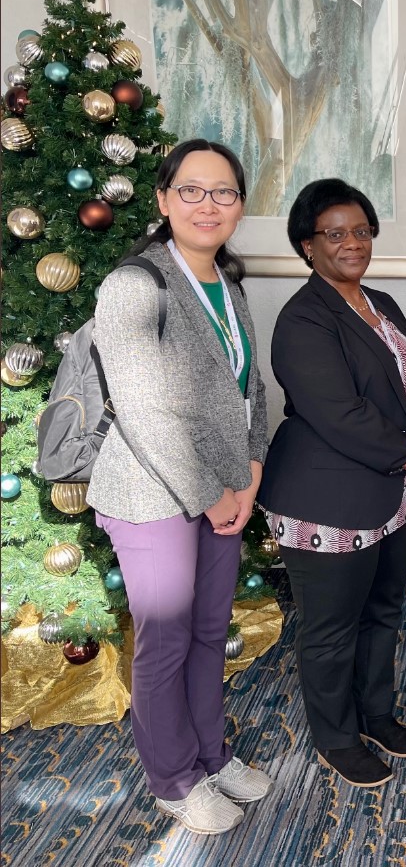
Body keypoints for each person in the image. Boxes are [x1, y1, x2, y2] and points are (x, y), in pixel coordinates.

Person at [89, 139, 273, 834]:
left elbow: (251, 389)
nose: (207, 204)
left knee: (208, 630)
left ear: (238, 206)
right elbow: (144, 410)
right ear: (163, 201)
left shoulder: (229, 285)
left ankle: (209, 754)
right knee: (166, 640)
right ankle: (173, 776)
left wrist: (251, 474)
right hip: (152, 496)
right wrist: (213, 493)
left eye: (222, 192)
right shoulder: (135, 285)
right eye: (190, 191)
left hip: (225, 491)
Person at [256, 179, 406, 789]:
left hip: (393, 497)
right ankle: (337, 739)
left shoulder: (381, 303)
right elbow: (338, 412)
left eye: (361, 231)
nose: (352, 243)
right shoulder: (304, 318)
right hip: (327, 501)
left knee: (383, 611)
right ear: (307, 247)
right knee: (331, 629)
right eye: (334, 234)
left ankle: (376, 714)